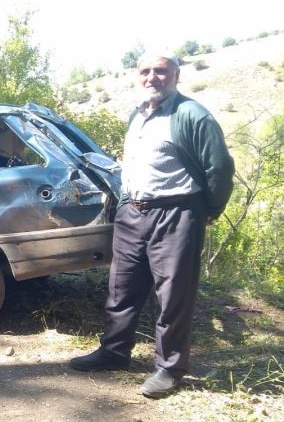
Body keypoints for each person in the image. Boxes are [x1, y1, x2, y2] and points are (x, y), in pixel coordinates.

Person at [69, 53, 235, 398]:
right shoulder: (138, 113)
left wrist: (211, 208)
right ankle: (114, 353)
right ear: (137, 76)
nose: (152, 77)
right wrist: (127, 203)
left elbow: (219, 168)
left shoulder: (191, 115)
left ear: (176, 74)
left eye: (161, 71)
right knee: (122, 287)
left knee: (173, 293)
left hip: (177, 213)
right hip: (134, 212)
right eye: (145, 71)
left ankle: (170, 368)